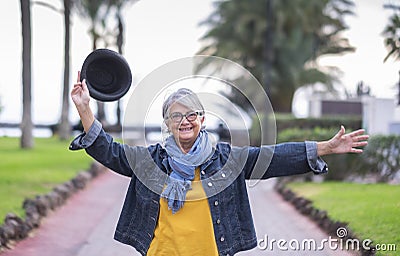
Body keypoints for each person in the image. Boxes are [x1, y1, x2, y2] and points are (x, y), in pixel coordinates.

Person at [70, 71, 368, 256]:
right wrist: (84, 108)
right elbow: (108, 150)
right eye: (176, 115)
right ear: (167, 123)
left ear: (202, 119)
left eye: (191, 114)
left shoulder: (227, 159)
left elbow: (273, 157)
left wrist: (325, 147)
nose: (184, 121)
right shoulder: (150, 161)